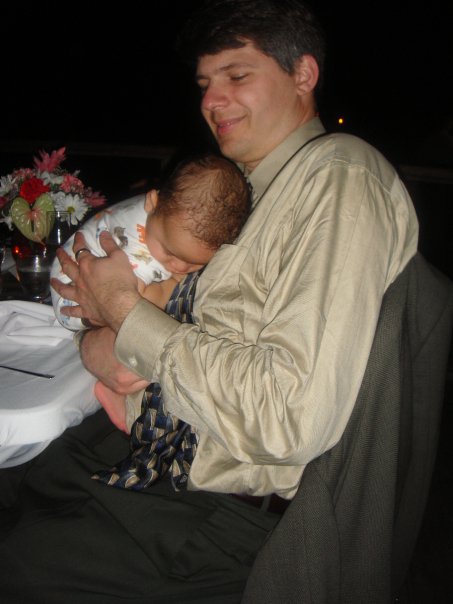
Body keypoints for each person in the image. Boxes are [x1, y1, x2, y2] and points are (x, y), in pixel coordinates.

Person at [0, 1, 419, 601]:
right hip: (145, 457)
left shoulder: (337, 178)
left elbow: (288, 417)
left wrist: (121, 312)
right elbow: (133, 329)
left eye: (237, 75)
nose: (212, 101)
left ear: (303, 74)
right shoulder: (234, 194)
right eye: (204, 84)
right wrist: (103, 332)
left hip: (207, 513)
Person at [50, 153, 251, 432]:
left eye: (193, 263)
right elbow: (134, 309)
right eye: (169, 253)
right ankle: (115, 392)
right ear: (152, 202)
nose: (179, 266)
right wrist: (171, 284)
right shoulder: (135, 246)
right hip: (72, 297)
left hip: (87, 279)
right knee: (149, 325)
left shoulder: (165, 217)